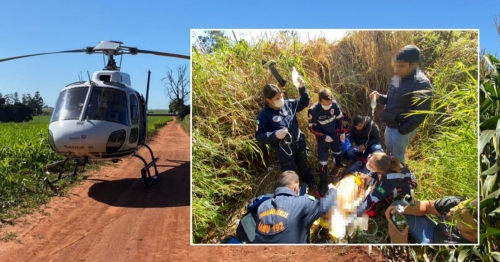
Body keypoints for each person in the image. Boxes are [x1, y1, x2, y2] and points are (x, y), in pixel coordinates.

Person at [369, 45, 432, 165]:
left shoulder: (422, 84)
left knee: (398, 156)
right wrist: (379, 98)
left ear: (414, 64)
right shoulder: (398, 77)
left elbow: (421, 113)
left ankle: (399, 176)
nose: (397, 69)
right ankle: (391, 167)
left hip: (401, 128)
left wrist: (402, 130)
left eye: (401, 66)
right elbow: (390, 99)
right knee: (390, 150)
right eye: (396, 65)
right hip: (390, 124)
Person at [255, 78, 315, 188]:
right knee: (289, 172)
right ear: (268, 100)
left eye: (281, 96)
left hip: (298, 143)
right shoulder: (263, 115)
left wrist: (302, 88)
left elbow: (304, 102)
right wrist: (275, 135)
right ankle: (292, 193)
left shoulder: (288, 104)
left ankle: (310, 182)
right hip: (284, 149)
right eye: (277, 98)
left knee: (303, 164)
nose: (281, 100)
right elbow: (259, 136)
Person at [252, 170, 338, 244]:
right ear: (296, 187)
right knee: (322, 243)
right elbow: (326, 204)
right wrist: (332, 190)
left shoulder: (262, 206)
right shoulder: (302, 204)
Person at [385, 197, 478, 244]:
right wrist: (400, 208)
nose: (452, 210)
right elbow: (426, 206)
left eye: (460, 216)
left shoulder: (467, 253)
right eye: (459, 205)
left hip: (435, 251)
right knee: (398, 203)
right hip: (432, 232)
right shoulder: (452, 203)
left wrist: (401, 243)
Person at [307, 88, 347, 196]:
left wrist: (342, 131)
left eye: (329, 104)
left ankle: (338, 163)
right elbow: (311, 128)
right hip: (322, 139)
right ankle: (323, 183)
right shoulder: (313, 110)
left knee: (337, 151)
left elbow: (339, 118)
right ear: (320, 101)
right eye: (325, 104)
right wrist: (323, 136)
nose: (327, 106)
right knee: (323, 162)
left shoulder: (334, 105)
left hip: (334, 134)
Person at [356, 152, 417, 217]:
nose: (367, 164)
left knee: (384, 193)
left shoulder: (391, 179)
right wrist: (369, 176)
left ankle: (400, 204)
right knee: (379, 188)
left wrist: (359, 211)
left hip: (407, 185)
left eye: (371, 166)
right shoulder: (385, 161)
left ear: (380, 169)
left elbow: (376, 194)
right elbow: (376, 171)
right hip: (399, 180)